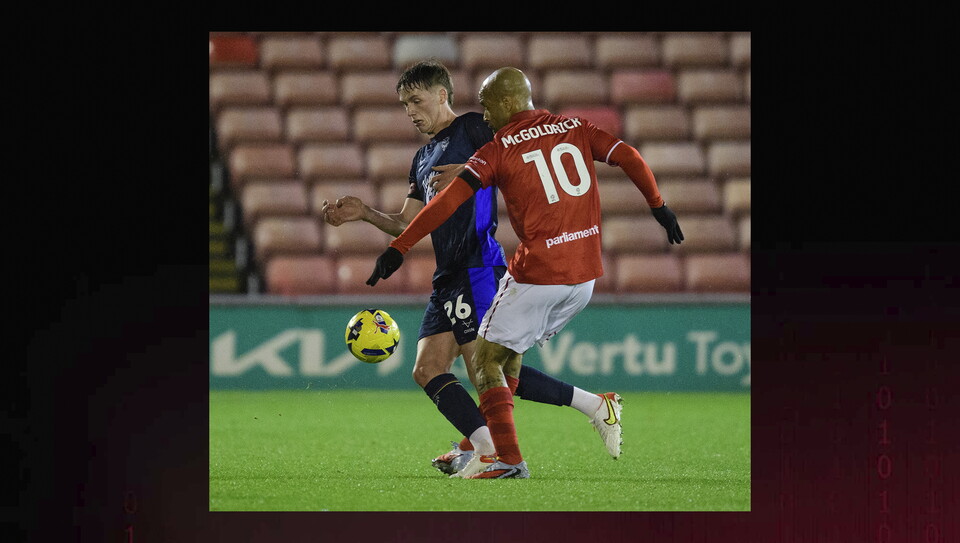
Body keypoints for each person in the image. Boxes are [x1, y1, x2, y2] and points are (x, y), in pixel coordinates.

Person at [366, 66, 684, 479]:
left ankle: (506, 458)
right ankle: (479, 446)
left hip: (524, 272)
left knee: (486, 363)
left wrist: (399, 248)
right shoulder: (575, 126)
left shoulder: (494, 147)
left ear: (504, 103)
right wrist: (658, 206)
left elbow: (445, 205)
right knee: (483, 361)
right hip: (584, 276)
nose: (482, 115)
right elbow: (628, 155)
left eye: (486, 106)